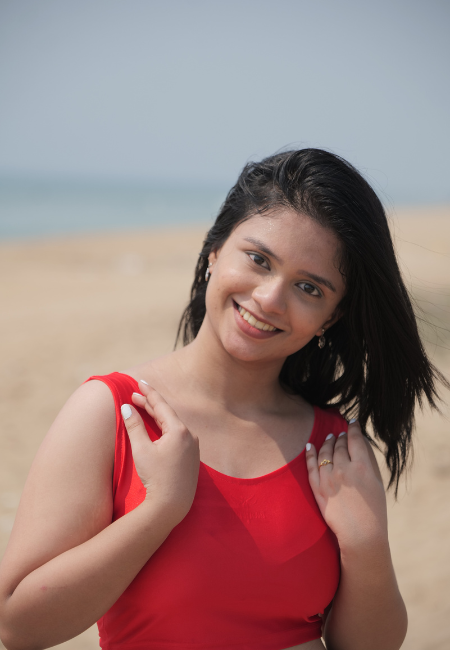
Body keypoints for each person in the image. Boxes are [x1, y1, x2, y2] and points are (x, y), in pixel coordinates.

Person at [0, 149, 445, 650]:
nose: (270, 298)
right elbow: (17, 627)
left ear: (331, 319)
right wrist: (160, 509)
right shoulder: (114, 412)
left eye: (309, 288)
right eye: (258, 260)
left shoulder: (335, 449)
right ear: (214, 251)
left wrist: (366, 547)